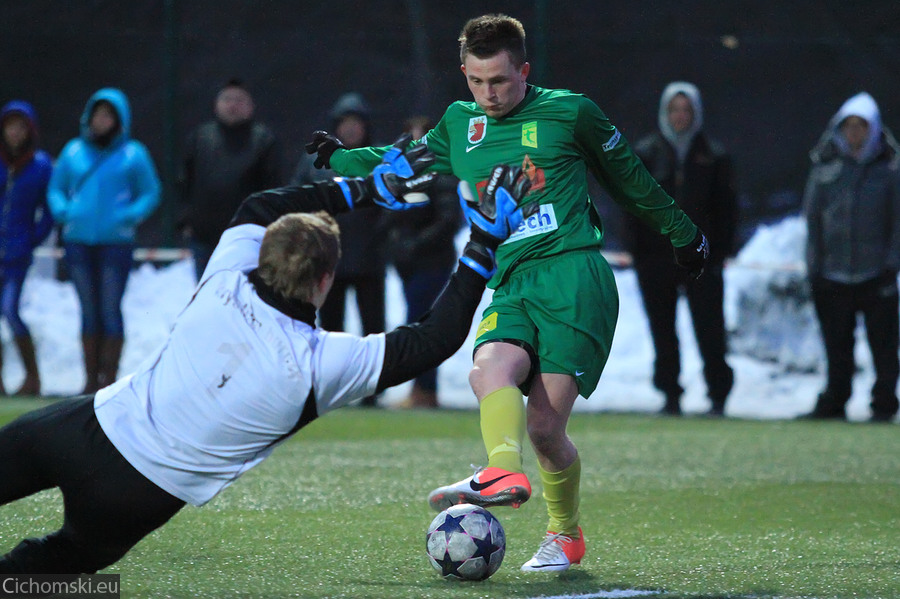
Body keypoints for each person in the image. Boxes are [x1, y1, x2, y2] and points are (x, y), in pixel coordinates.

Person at [0, 138, 532, 577]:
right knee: (39, 580)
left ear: (262, 251)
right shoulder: (320, 365)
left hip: (81, 427)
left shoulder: (225, 277)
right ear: (326, 282)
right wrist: (482, 243)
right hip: (138, 495)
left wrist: (367, 188)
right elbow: (434, 339)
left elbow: (260, 206)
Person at [307, 14, 706, 571]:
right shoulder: (458, 123)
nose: (488, 94)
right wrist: (344, 158)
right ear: (464, 74)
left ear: (523, 69)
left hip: (573, 276)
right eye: (476, 81)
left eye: (499, 80)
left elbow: (629, 179)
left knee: (545, 428)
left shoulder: (572, 112)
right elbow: (407, 164)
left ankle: (565, 535)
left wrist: (683, 234)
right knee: (487, 366)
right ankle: (502, 469)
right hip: (511, 278)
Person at [624, 82, 738, 417]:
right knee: (663, 330)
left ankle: (718, 394)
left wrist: (718, 254)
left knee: (710, 329)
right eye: (674, 109)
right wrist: (638, 251)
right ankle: (670, 393)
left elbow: (727, 209)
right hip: (656, 259)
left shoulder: (715, 157)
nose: (680, 116)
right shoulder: (645, 153)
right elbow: (631, 204)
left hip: (701, 259)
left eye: (686, 109)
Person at [47, 88, 161, 394]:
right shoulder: (73, 152)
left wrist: (129, 215)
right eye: (98, 114)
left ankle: (108, 378)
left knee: (110, 308)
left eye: (109, 114)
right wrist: (63, 210)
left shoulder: (134, 154)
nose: (102, 120)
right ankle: (89, 379)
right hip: (78, 241)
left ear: (120, 118)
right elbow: (56, 188)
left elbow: (151, 192)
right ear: (89, 116)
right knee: (88, 309)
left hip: (116, 243)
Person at [802, 91, 900, 423]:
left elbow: (897, 222)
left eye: (862, 126)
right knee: (836, 346)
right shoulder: (825, 168)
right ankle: (835, 399)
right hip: (833, 273)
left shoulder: (889, 171)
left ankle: (884, 402)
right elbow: (813, 221)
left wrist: (891, 264)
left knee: (884, 346)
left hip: (876, 274)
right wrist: (814, 266)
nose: (854, 133)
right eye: (849, 126)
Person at [294, 92, 386, 406]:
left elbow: (395, 204)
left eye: (356, 124)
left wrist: (383, 235)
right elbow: (297, 198)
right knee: (331, 329)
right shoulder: (316, 161)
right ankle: (334, 387)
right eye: (344, 124)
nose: (350, 130)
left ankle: (372, 391)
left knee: (373, 329)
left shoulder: (378, 159)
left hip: (370, 256)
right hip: (328, 258)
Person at [178, 78, 284, 281]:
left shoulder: (263, 140)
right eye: (227, 99)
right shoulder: (200, 138)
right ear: (216, 104)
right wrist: (186, 219)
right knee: (206, 297)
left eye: (239, 100)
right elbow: (184, 181)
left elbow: (273, 188)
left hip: (248, 238)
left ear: (250, 106)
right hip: (204, 237)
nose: (232, 105)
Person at [390, 115, 462, 408]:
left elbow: (448, 220)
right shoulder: (403, 172)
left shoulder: (441, 172)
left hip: (432, 260)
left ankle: (424, 390)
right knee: (418, 321)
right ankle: (421, 388)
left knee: (420, 323)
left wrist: (414, 244)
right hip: (410, 261)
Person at [0, 101, 54, 396]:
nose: (15, 133)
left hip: (17, 254)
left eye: (21, 127)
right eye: (10, 126)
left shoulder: (40, 165)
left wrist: (32, 238)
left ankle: (32, 377)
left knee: (10, 311)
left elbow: (49, 211)